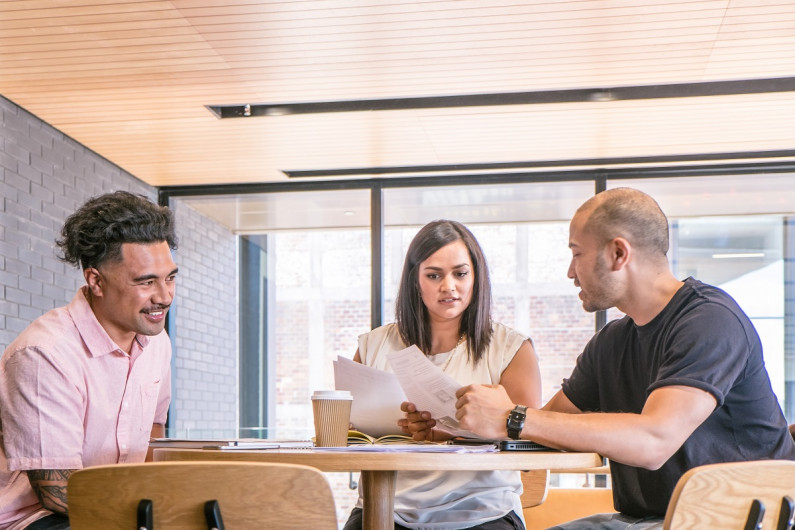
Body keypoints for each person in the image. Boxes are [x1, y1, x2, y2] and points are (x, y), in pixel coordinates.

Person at [452, 187, 795, 529]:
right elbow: (545, 427)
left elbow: (654, 441)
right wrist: (456, 426)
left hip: (729, 520)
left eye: (577, 254)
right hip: (642, 520)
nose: (571, 272)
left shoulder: (711, 320)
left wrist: (514, 417)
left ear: (618, 253)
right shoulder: (610, 343)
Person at [342, 220, 542, 530]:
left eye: (460, 274)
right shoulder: (374, 346)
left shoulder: (510, 348)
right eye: (434, 275)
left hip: (479, 512)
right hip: (385, 510)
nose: (448, 286)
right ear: (415, 281)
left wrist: (452, 433)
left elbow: (529, 440)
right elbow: (345, 432)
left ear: (476, 277)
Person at [0, 191, 178, 530]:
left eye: (170, 278)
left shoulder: (157, 343)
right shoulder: (44, 353)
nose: (165, 296)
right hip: (35, 519)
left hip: (113, 507)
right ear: (96, 280)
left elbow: (154, 432)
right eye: (146, 282)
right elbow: (60, 494)